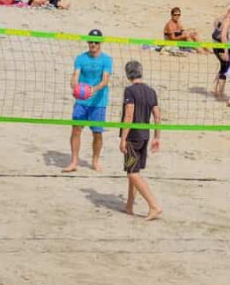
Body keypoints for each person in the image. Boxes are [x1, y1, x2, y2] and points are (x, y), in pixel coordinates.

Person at [64, 30, 114, 173]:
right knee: (76, 130)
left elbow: (104, 81)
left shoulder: (106, 60)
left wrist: (94, 89)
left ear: (100, 43)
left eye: (96, 42)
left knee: (97, 133)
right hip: (82, 101)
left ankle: (95, 161)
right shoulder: (81, 58)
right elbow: (75, 77)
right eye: (91, 41)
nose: (93, 44)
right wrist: (74, 87)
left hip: (98, 102)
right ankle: (74, 161)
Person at [118, 60, 162, 221]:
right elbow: (157, 116)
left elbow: (129, 115)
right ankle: (129, 205)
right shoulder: (151, 91)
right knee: (134, 171)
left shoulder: (130, 91)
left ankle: (154, 205)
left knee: (132, 173)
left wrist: (123, 138)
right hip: (145, 136)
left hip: (133, 137)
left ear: (127, 74)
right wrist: (157, 137)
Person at [209, 4, 230, 101]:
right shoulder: (227, 20)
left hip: (215, 46)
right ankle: (220, 93)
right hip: (223, 47)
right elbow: (223, 36)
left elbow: (215, 26)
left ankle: (214, 87)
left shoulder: (220, 18)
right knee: (225, 68)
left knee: (224, 66)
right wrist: (226, 51)